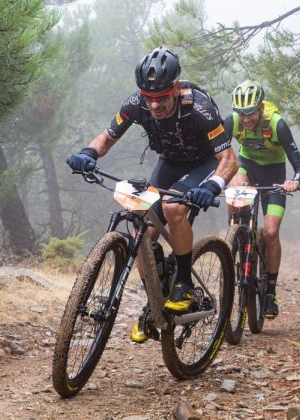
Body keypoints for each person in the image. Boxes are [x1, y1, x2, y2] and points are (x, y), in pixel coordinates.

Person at [66, 47, 238, 342]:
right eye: (150, 99)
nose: (155, 105)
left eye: (161, 98)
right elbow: (107, 137)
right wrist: (88, 153)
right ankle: (155, 302)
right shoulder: (136, 103)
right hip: (170, 163)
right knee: (142, 230)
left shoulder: (199, 109)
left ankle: (183, 283)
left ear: (175, 89)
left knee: (173, 209)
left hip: (203, 163)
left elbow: (229, 159)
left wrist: (211, 187)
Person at [223, 80, 300, 319]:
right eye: (241, 112)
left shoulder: (277, 124)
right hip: (246, 166)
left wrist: (294, 181)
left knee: (270, 233)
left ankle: (270, 292)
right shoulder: (232, 122)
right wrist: (224, 177)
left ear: (260, 108)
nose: (245, 118)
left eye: (250, 113)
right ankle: (235, 235)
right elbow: (217, 153)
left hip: (275, 175)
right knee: (234, 190)